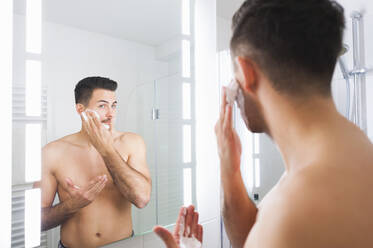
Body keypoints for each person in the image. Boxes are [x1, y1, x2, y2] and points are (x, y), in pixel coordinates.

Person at [155, 0, 373, 247]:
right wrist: (230, 170)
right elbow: (253, 236)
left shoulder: (293, 213)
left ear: (246, 73)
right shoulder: (347, 148)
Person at [35, 76, 151, 248]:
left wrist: (106, 150)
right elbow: (36, 221)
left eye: (114, 105)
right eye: (102, 106)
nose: (111, 114)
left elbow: (141, 199)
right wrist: (72, 205)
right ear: (81, 110)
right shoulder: (52, 152)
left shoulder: (132, 142)